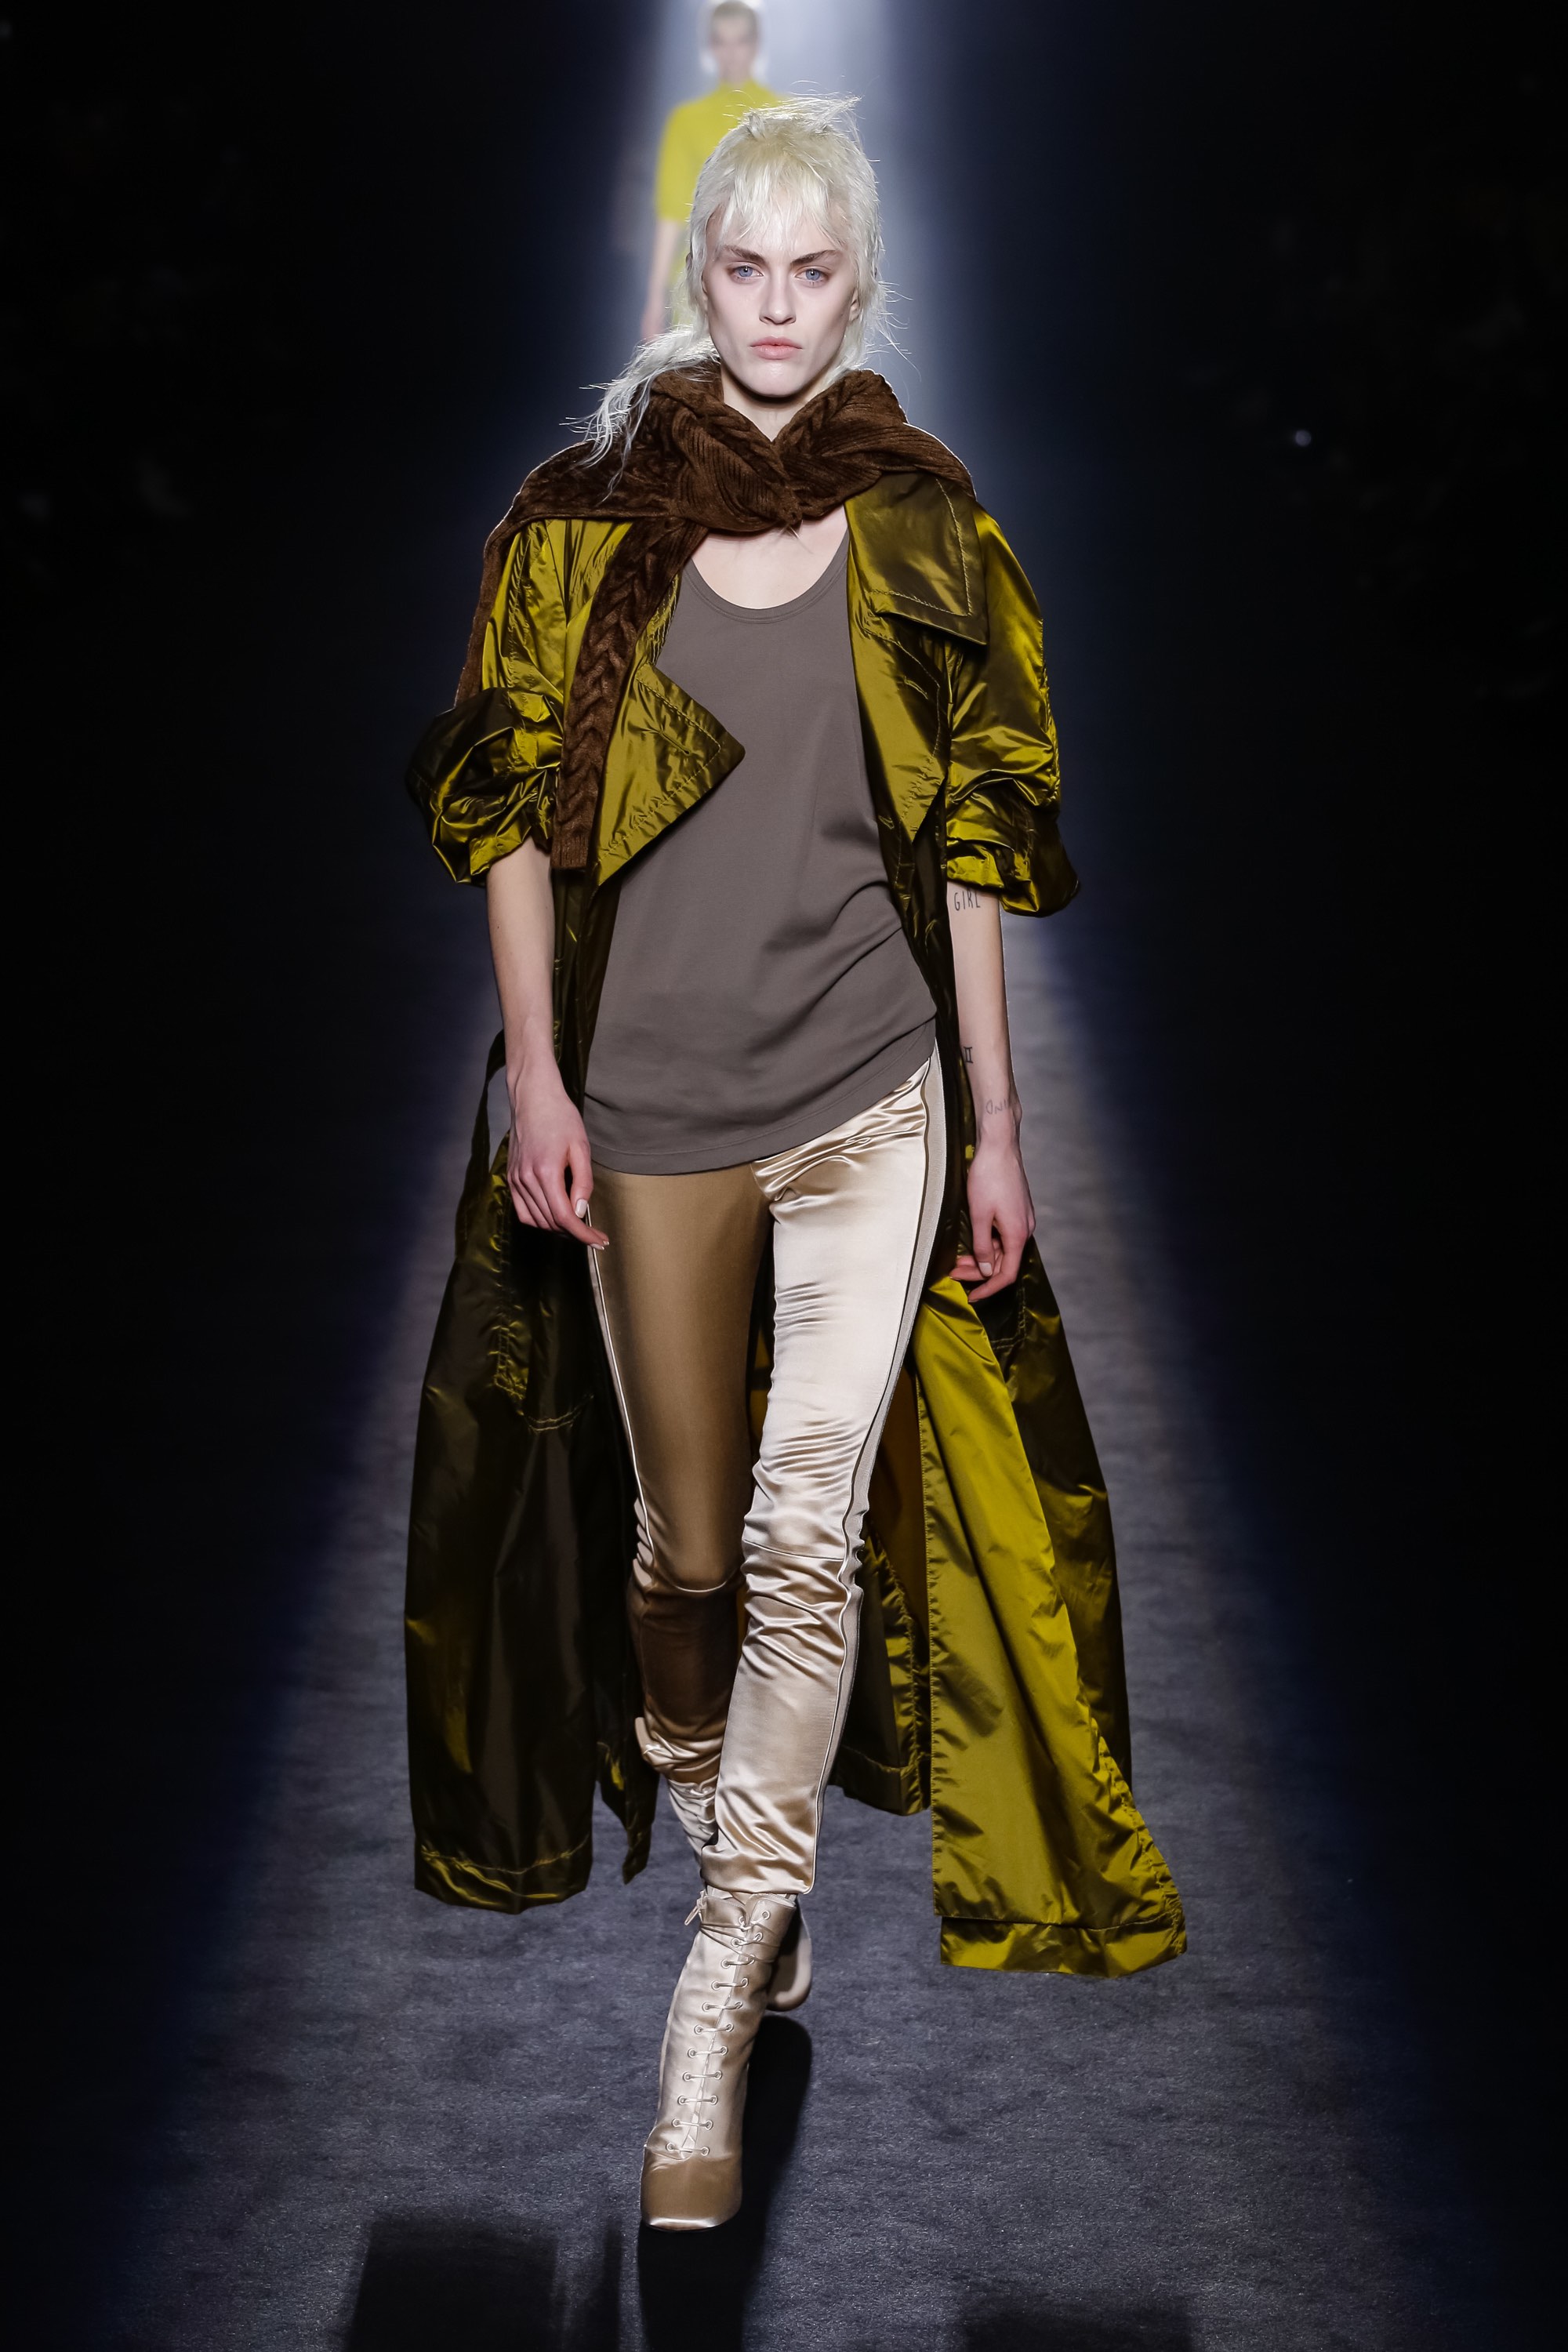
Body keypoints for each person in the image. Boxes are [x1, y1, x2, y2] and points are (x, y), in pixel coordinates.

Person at [405, 96, 1185, 2234]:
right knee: (683, 1564)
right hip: (647, 1111)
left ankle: (716, 1985)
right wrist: (537, 1079)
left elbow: (977, 841)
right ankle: (736, 1830)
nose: (772, 308)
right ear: (697, 278)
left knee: (805, 1532)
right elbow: (505, 813)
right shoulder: (579, 525)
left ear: (858, 287)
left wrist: (999, 1124)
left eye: (808, 271)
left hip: (866, 1094)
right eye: (739, 268)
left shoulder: (922, 526)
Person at [642, 2, 778, 344]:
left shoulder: (784, 117)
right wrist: (655, 298)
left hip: (765, 280)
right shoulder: (685, 122)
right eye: (721, 41)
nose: (731, 53)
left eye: (741, 40)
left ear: (756, 44)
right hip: (696, 287)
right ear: (710, 47)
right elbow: (671, 213)